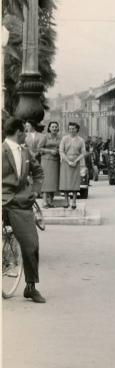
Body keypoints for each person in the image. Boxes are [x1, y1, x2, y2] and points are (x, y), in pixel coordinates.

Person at [2, 117, 46, 303]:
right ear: (19, 132)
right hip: (3, 199)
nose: (26, 134)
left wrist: (34, 191)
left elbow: (38, 172)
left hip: (20, 203)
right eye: (25, 131)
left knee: (31, 243)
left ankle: (30, 287)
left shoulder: (26, 152)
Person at [59, 122, 86, 210]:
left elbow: (83, 153)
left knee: (74, 182)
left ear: (77, 129)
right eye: (70, 128)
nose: (71, 130)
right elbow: (61, 151)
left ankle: (74, 201)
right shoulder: (64, 139)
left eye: (73, 128)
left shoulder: (81, 140)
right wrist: (68, 161)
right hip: (66, 162)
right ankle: (66, 201)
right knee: (65, 182)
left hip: (76, 161)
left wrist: (75, 161)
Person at [39, 121, 61, 207]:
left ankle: (51, 201)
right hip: (46, 161)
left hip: (56, 161)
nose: (54, 128)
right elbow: (39, 148)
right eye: (53, 127)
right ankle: (44, 201)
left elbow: (62, 148)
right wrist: (50, 151)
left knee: (54, 182)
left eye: (56, 127)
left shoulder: (60, 138)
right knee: (46, 181)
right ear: (49, 128)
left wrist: (59, 151)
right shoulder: (45, 137)